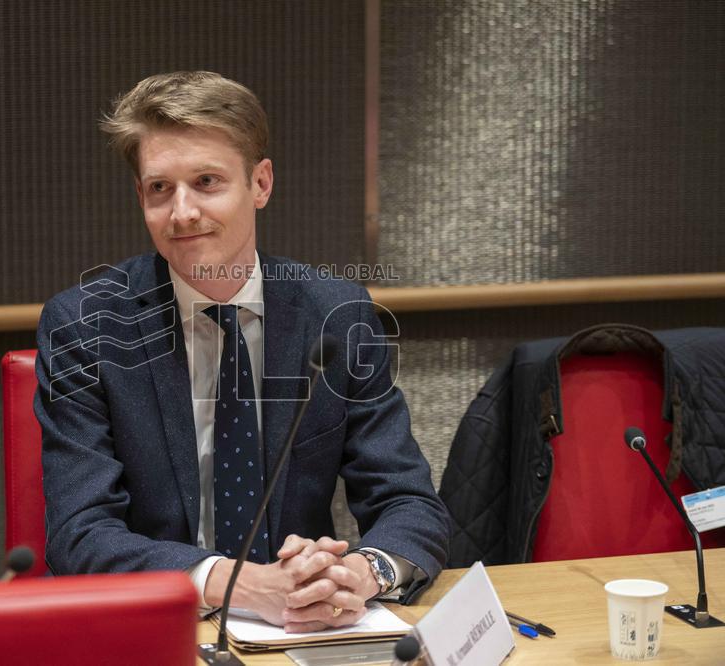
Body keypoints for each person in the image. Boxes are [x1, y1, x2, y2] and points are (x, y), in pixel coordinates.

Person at [35, 72, 448, 632]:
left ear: (260, 183)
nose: (181, 213)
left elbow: (410, 503)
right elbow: (80, 534)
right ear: (141, 195)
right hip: (154, 628)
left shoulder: (337, 313)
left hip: (304, 627)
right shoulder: (85, 326)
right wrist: (240, 584)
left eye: (206, 182)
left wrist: (360, 572)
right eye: (160, 188)